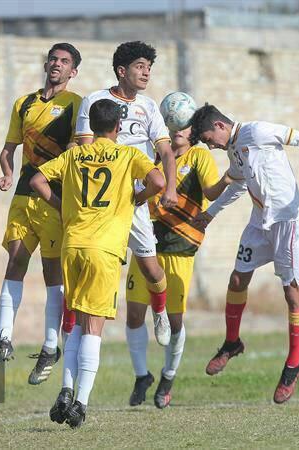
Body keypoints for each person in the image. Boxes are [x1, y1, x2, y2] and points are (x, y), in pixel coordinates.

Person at [190, 104, 299, 404]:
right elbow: (237, 186)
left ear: (220, 125)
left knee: (292, 293)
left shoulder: (256, 131)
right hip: (260, 221)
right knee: (237, 280)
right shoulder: (234, 150)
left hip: (287, 220)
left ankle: (293, 365)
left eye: (209, 139)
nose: (210, 145)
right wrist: (210, 214)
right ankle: (232, 342)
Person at [32, 98, 164, 428]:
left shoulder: (74, 154)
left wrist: (62, 206)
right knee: (94, 327)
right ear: (118, 127)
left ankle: (65, 389)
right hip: (104, 250)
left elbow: (36, 181)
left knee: (76, 321)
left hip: (72, 245)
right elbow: (159, 182)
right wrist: (138, 197)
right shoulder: (129, 154)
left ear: (89, 126)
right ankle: (80, 403)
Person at [0, 43, 83, 387]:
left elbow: (80, 148)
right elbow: (8, 148)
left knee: (51, 273)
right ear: (46, 64)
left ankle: (50, 345)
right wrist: (8, 173)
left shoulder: (76, 105)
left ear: (73, 72)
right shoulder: (24, 103)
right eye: (53, 59)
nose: (56, 64)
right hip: (23, 193)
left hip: (54, 197)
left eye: (64, 61)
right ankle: (4, 338)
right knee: (15, 260)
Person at [75, 41, 178, 351]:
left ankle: (159, 310)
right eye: (139, 67)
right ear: (122, 71)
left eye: (149, 67)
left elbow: (165, 151)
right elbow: (83, 147)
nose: (146, 72)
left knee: (150, 268)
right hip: (100, 200)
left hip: (134, 200)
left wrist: (168, 188)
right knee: (86, 267)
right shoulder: (94, 101)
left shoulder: (148, 107)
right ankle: (69, 335)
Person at [125, 125, 233, 408]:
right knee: (135, 314)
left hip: (180, 248)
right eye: (172, 123)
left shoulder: (198, 156)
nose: (177, 130)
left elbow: (210, 191)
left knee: (174, 323)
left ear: (193, 131)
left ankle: (168, 376)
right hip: (146, 245)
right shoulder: (153, 157)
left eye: (184, 125)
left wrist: (228, 178)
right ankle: (141, 376)